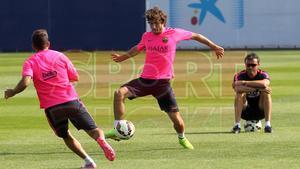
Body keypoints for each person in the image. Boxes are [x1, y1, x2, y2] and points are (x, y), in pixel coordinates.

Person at [105, 7, 224, 149]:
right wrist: (123, 57)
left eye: (157, 23)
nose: (154, 27)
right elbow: (137, 49)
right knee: (119, 93)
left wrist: (214, 46)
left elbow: (196, 36)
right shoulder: (147, 36)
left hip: (163, 85)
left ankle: (182, 137)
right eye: (151, 24)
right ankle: (118, 128)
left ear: (163, 22)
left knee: (177, 122)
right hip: (145, 80)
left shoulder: (174, 33)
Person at [4, 29, 115, 169]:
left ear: (33, 46)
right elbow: (75, 77)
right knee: (94, 130)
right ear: (48, 43)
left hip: (53, 108)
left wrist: (12, 92)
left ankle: (89, 161)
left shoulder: (30, 62)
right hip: (71, 101)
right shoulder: (60, 56)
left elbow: (25, 82)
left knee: (65, 135)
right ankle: (101, 141)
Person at [231, 53, 272, 133]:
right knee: (239, 93)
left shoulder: (263, 74)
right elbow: (237, 88)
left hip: (261, 110)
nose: (250, 67)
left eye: (253, 65)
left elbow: (264, 84)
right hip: (245, 110)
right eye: (248, 65)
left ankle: (268, 125)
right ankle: (237, 125)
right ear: (245, 65)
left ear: (258, 65)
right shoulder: (239, 75)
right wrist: (259, 89)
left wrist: (244, 82)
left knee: (267, 93)